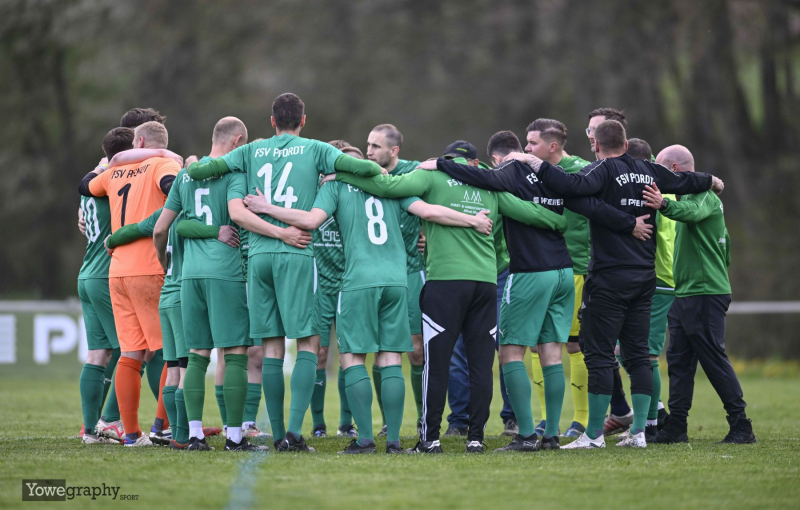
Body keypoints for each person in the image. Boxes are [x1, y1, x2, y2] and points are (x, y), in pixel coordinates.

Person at [245, 150, 491, 454]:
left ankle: (364, 440)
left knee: (352, 358)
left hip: (358, 280)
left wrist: (266, 207)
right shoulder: (391, 184)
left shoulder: (335, 185)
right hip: (397, 281)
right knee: (390, 358)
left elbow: (310, 220)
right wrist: (472, 221)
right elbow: (429, 212)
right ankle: (394, 442)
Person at [331, 154, 568, 453]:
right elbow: (531, 213)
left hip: (445, 282)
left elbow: (386, 186)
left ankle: (430, 440)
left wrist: (341, 176)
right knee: (481, 365)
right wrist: (560, 221)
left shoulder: (430, 176)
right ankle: (476, 439)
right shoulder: (488, 185)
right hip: (484, 283)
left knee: (436, 364)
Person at [186, 93, 383, 451]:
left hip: (259, 257)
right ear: (303, 121)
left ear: (272, 121)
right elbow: (369, 170)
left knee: (272, 347)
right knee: (309, 342)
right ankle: (294, 432)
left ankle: (277, 436)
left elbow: (199, 171)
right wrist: (336, 172)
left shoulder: (249, 150)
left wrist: (189, 161)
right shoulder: (316, 149)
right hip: (296, 251)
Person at [507, 119, 722, 449]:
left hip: (609, 276)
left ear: (596, 145)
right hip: (645, 276)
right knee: (638, 355)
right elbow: (684, 179)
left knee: (598, 353)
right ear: (625, 141)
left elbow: (568, 187)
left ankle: (593, 435)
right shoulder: (649, 170)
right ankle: (639, 432)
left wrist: (530, 161)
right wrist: (712, 181)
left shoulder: (602, 169)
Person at [435, 130, 642, 451]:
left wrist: (438, 164)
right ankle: (551, 436)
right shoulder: (552, 174)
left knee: (510, 353)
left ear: (499, 158)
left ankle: (527, 435)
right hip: (563, 271)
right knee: (551, 353)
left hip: (530, 272)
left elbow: (482, 180)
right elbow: (588, 206)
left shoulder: (510, 169)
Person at [642, 145, 755, 445]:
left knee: (713, 357)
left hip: (704, 293)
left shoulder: (703, 196)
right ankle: (676, 427)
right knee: (678, 361)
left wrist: (663, 205)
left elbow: (692, 213)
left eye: (662, 170)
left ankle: (741, 425)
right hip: (685, 293)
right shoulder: (687, 198)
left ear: (675, 170)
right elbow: (726, 245)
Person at [78, 121, 182, 446]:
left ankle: (132, 435)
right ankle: (165, 427)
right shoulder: (163, 164)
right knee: (169, 352)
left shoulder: (115, 171)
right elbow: (176, 191)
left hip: (117, 271)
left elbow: (86, 186)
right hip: (149, 268)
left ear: (139, 141)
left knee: (130, 353)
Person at [439, 141, 518, 438]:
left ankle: (512, 418)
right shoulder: (443, 185)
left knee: (504, 346)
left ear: (474, 163)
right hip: (460, 275)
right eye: (449, 161)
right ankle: (459, 421)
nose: (454, 167)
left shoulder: (493, 183)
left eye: (459, 162)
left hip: (498, 273)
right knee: (458, 350)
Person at [366, 124, 425, 434]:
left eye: (376, 146)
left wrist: (428, 233)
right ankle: (388, 422)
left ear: (394, 150)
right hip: (375, 273)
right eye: (368, 145)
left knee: (416, 349)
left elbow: (439, 194)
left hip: (411, 271)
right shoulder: (364, 173)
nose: (369, 151)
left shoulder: (414, 172)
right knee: (379, 349)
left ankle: (424, 419)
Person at [77, 128, 132, 445]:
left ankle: (89, 431)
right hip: (105, 275)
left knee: (98, 353)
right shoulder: (115, 181)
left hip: (87, 273)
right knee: (133, 350)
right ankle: (109, 421)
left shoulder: (93, 182)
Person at [309, 141, 362, 439]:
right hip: (319, 285)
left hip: (349, 284)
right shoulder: (315, 192)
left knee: (348, 353)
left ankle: (345, 423)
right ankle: (318, 424)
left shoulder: (364, 196)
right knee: (318, 353)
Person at [625, 138, 674, 440]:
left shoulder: (650, 192)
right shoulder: (663, 189)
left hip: (658, 279)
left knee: (646, 355)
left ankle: (653, 421)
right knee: (632, 352)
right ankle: (654, 414)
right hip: (656, 278)